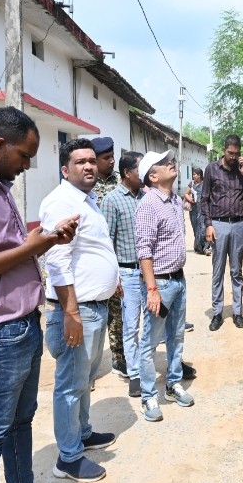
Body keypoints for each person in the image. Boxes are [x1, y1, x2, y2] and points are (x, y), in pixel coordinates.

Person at [0, 107, 78, 483]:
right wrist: (31, 247)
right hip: (0, 331)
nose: (27, 165)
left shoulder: (1, 188)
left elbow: (7, 250)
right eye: (24, 156)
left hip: (23, 324)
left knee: (20, 423)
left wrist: (47, 239)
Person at [40, 138, 120, 482]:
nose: (88, 166)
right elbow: (57, 262)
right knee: (70, 385)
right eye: (79, 162)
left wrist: (112, 279)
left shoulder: (87, 200)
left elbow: (91, 250)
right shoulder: (61, 202)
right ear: (65, 169)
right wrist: (71, 314)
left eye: (91, 160)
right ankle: (68, 458)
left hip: (94, 307)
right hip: (76, 311)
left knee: (85, 380)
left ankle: (82, 433)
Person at [135, 150, 194, 422]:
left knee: (177, 336)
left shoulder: (174, 200)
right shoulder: (149, 204)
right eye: (163, 163)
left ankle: (173, 384)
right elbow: (144, 251)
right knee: (150, 341)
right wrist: (151, 290)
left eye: (170, 160)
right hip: (159, 283)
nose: (171, 163)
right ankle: (148, 396)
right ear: (153, 176)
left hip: (178, 280)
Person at [101, 152, 146, 398]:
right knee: (130, 326)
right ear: (127, 173)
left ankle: (146, 367)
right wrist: (114, 277)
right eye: (140, 168)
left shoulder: (146, 197)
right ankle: (135, 374)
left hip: (150, 272)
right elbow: (106, 242)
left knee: (153, 323)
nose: (146, 172)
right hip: (127, 272)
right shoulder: (112, 200)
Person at [201, 135, 243, 331]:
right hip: (218, 225)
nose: (233, 157)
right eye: (230, 153)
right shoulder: (211, 169)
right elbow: (204, 199)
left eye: (236, 153)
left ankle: (237, 312)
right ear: (224, 150)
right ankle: (217, 313)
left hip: (238, 225)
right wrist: (208, 224)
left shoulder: (242, 169)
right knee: (218, 270)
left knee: (236, 271)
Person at [90, 136, 127, 378]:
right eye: (106, 158)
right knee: (92, 318)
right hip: (93, 258)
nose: (112, 161)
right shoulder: (87, 184)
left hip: (117, 256)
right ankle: (88, 370)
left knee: (117, 312)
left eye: (112, 156)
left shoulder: (119, 182)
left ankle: (119, 357)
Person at [184, 167, 210, 255]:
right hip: (194, 209)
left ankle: (205, 248)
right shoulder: (191, 183)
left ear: (199, 175)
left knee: (203, 228)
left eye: (195, 174)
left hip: (203, 208)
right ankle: (198, 247)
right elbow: (186, 193)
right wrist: (189, 199)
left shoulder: (205, 183)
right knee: (196, 228)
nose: (193, 176)